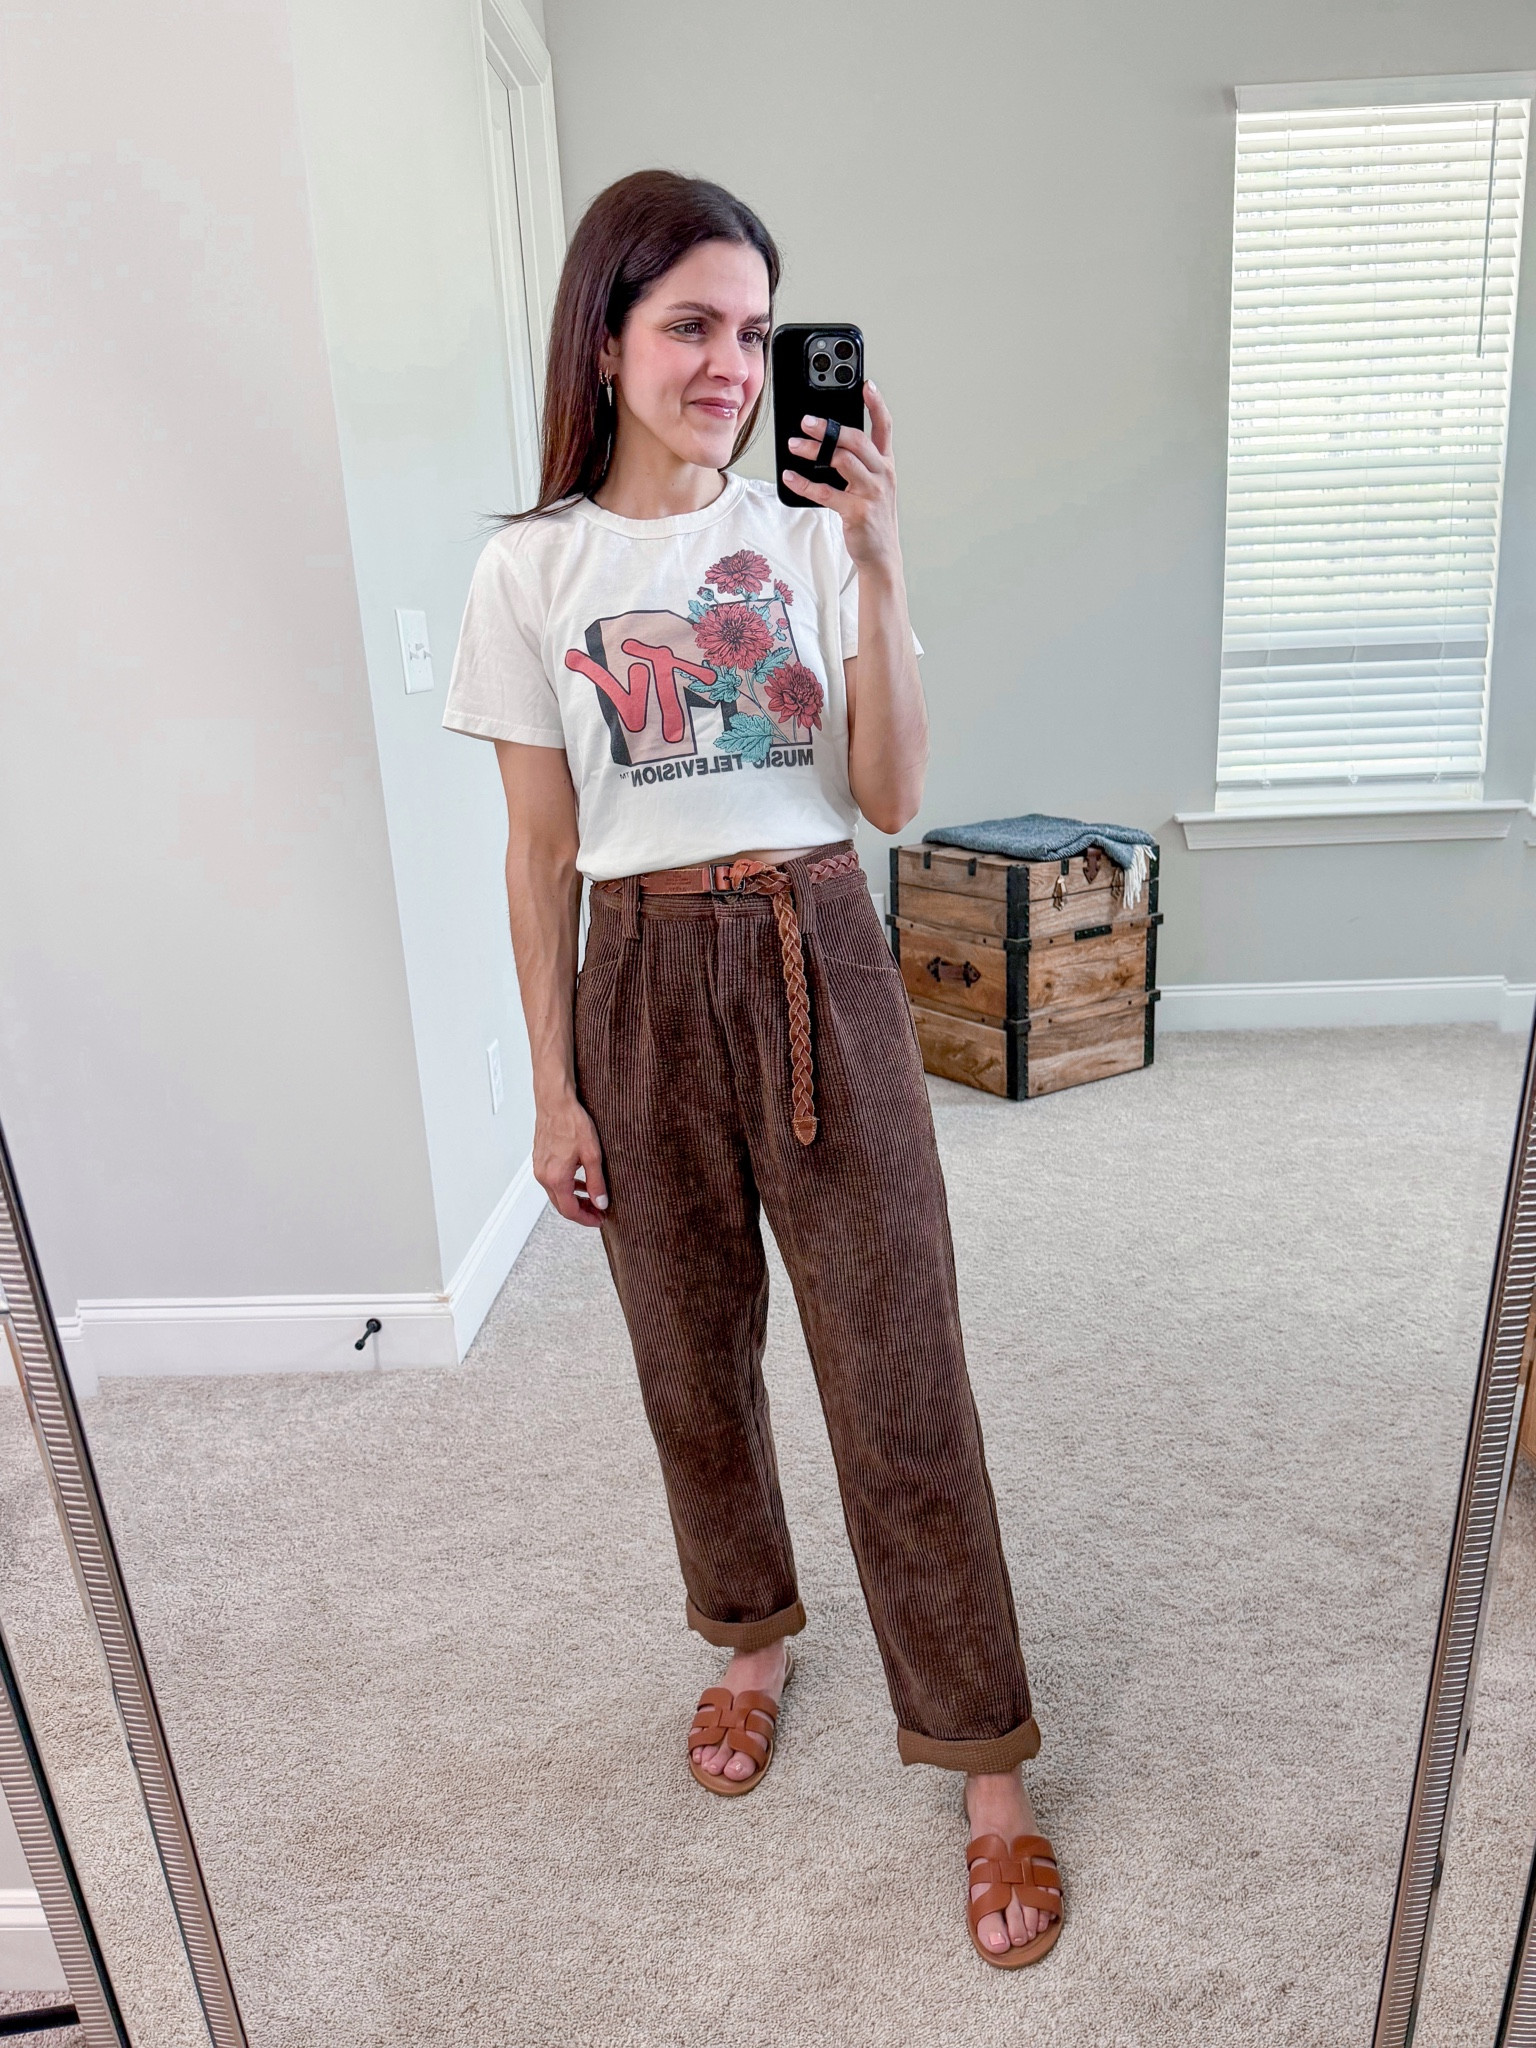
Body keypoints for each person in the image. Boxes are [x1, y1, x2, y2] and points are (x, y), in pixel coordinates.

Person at [443, 168, 1062, 1969]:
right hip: (635, 980)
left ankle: (987, 1762)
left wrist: (876, 557)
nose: (731, 363)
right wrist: (554, 1088)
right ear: (611, 341)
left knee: (900, 1365)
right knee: (687, 1358)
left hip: (816, 951)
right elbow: (538, 851)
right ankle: (749, 1634)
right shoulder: (530, 569)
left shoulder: (810, 534)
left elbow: (891, 799)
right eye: (691, 324)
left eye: (754, 328)